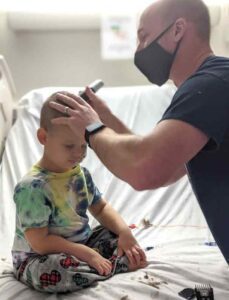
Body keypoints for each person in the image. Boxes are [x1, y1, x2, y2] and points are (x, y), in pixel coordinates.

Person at [49, 0, 229, 266]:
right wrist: (105, 119)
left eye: (144, 36)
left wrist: (91, 128)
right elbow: (165, 161)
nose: (139, 49)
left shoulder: (209, 85)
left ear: (178, 29)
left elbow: (145, 168)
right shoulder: (213, 82)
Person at [11, 92, 147, 293]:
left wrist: (124, 232)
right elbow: (40, 243)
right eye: (69, 146)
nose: (79, 153)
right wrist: (86, 254)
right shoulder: (32, 187)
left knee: (118, 237)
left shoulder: (80, 174)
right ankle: (111, 266)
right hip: (39, 257)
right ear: (43, 137)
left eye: (84, 145)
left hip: (83, 243)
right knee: (54, 272)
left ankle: (102, 265)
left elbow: (101, 209)